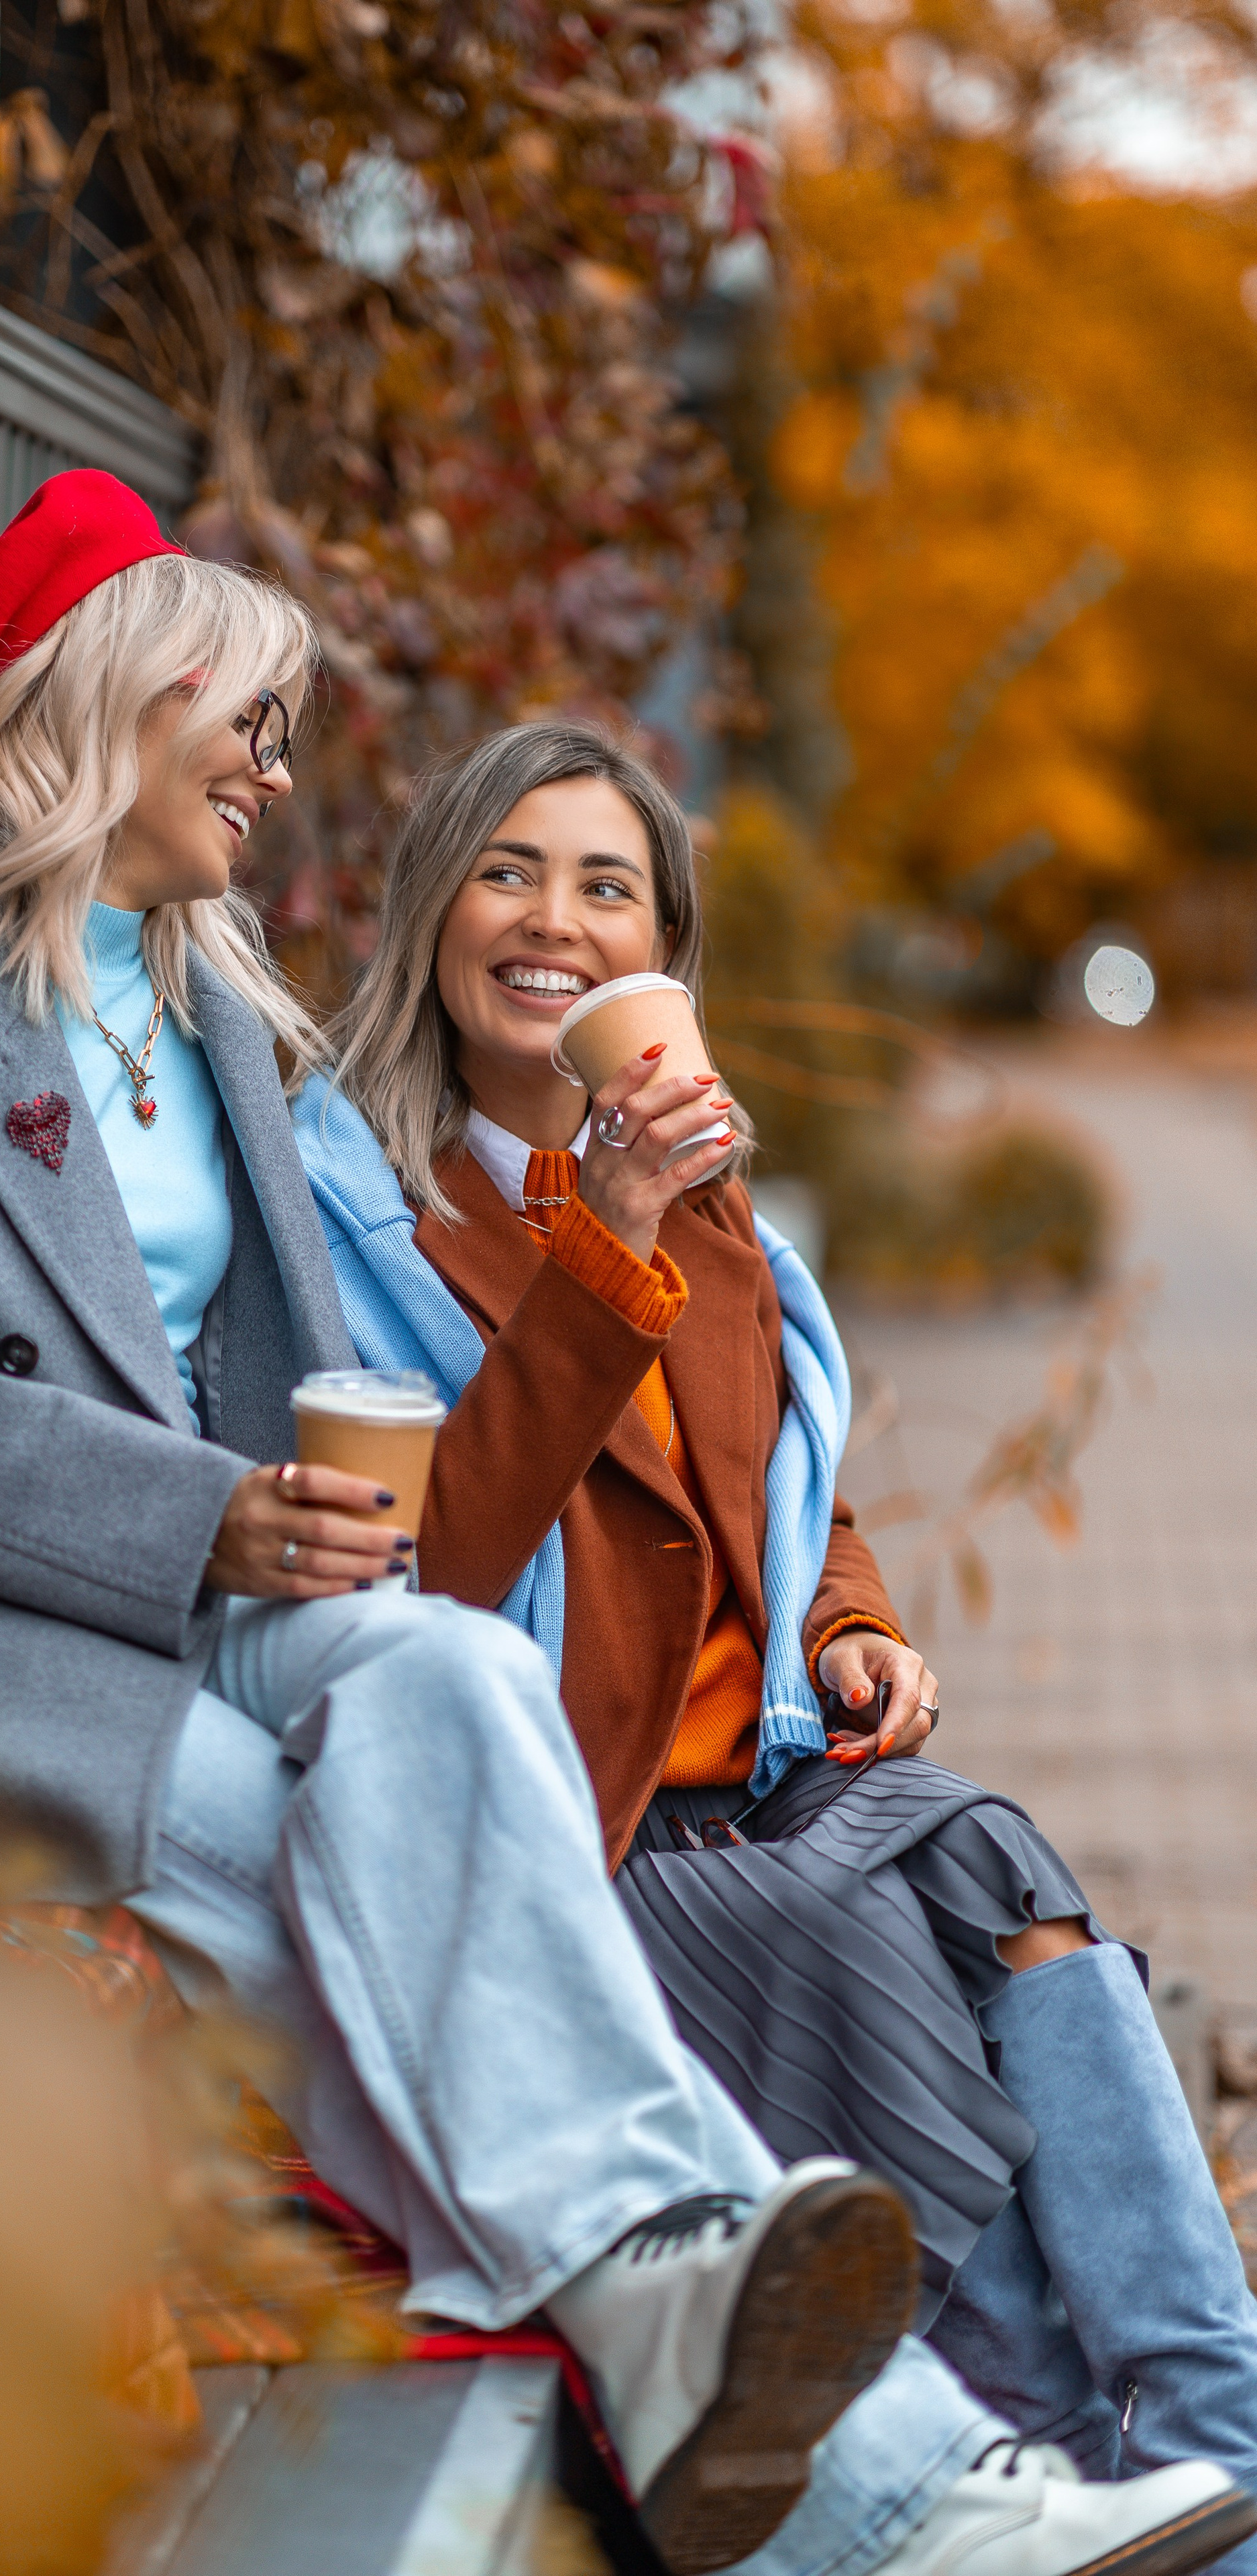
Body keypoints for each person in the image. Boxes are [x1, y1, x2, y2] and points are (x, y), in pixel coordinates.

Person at [0, 478, 1246, 2576]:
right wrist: (224, 1511)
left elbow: (599, 1471)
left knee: (452, 1684)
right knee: (444, 1921)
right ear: (91, 705)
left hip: (243, 1587)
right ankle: (903, 2489)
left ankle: (1019, 2445)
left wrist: (400, 1450)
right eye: (233, 719)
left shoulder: (218, 1015)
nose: (269, 764)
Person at [300, 716, 1257, 2571]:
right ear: (432, 911)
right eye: (510, 870)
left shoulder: (706, 1201)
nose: (554, 921)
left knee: (988, 1857)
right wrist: (608, 1247)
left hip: (763, 1783)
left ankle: (1215, 2421)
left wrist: (853, 1625)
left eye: (608, 888)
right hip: (572, 1828)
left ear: (660, 952)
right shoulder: (368, 1215)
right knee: (847, 1930)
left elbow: (784, 1488)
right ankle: (1037, 2450)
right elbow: (436, 1562)